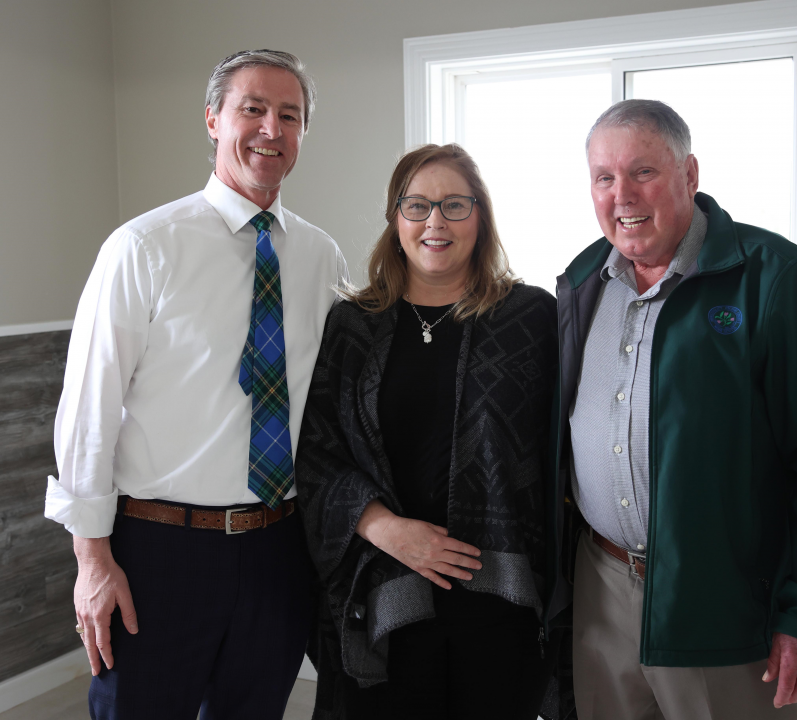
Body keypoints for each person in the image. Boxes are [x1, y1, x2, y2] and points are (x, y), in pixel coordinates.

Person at [42, 50, 349, 720]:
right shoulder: (143, 247)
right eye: (253, 109)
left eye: (289, 115)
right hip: (160, 552)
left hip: (278, 546)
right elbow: (89, 408)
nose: (271, 128)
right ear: (214, 119)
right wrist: (92, 561)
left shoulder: (321, 257)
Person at [544, 99, 797, 720]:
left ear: (690, 174)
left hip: (724, 598)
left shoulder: (773, 277)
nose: (622, 195)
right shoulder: (582, 279)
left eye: (643, 172)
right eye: (604, 177)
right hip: (602, 583)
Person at [295, 143, 562, 720]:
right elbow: (316, 450)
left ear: (481, 217)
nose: (435, 222)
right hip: (384, 596)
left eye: (454, 205)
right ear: (395, 220)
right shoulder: (353, 325)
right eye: (416, 205)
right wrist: (383, 527)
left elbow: (560, 453)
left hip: (502, 602)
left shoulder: (532, 317)